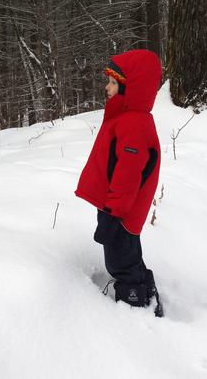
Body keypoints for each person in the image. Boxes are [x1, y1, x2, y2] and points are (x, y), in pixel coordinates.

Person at [75, 49, 163, 316]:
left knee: (119, 261)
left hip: (121, 211)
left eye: (113, 83)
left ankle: (134, 305)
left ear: (130, 88)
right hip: (118, 207)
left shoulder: (133, 123)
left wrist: (113, 215)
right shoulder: (127, 117)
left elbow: (127, 175)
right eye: (109, 81)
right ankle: (144, 286)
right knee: (127, 254)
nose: (107, 87)